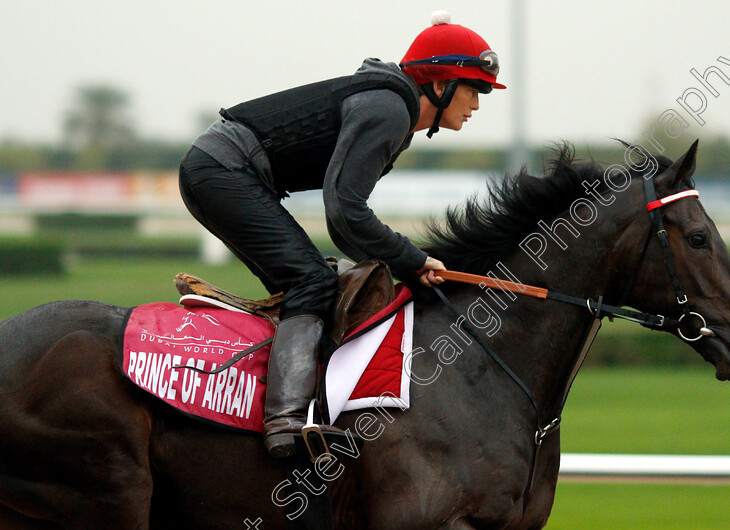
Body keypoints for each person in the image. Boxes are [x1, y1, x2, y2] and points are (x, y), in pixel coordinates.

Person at [178, 11, 505, 458]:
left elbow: (346, 220)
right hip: (222, 170)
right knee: (312, 283)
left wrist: (401, 261)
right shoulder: (390, 109)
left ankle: (286, 404)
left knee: (314, 287)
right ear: (439, 83)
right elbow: (345, 213)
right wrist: (411, 259)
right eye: (473, 89)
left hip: (222, 171)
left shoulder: (394, 107)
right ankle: (287, 423)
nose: (477, 104)